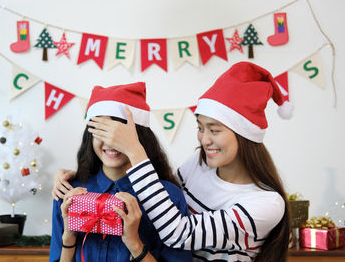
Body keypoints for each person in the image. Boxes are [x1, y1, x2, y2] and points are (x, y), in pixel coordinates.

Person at [53, 62, 292, 262]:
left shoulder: (266, 204)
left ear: (244, 133)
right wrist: (84, 176)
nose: (204, 139)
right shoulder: (200, 165)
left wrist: (134, 148)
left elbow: (178, 233)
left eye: (214, 130)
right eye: (200, 128)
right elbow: (156, 186)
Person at [49, 82, 192, 262]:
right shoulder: (68, 192)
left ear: (139, 136)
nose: (110, 142)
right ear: (90, 135)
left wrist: (134, 243)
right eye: (101, 131)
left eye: (119, 133)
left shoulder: (168, 197)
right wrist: (69, 237)